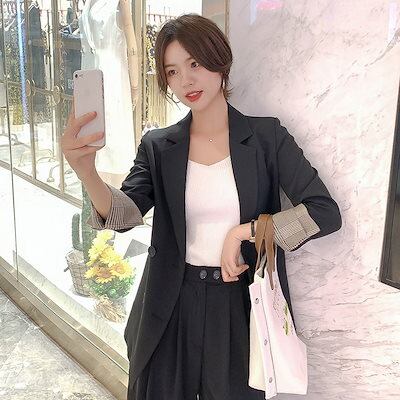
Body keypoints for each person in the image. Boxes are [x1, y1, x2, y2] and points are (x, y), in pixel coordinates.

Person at [61, 13, 342, 400]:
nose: (186, 80)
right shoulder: (159, 146)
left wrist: (246, 232)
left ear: (219, 60)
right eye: (172, 71)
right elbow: (125, 216)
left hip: (239, 305)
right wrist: (87, 172)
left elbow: (323, 212)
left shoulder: (266, 137)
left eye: (194, 63)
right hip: (169, 304)